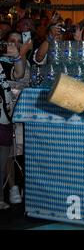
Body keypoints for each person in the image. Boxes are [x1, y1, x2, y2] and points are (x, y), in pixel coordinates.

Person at [0, 41, 25, 210]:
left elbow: (20, 73)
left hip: (2, 116)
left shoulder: (2, 62)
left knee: (1, 160)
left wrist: (16, 55)